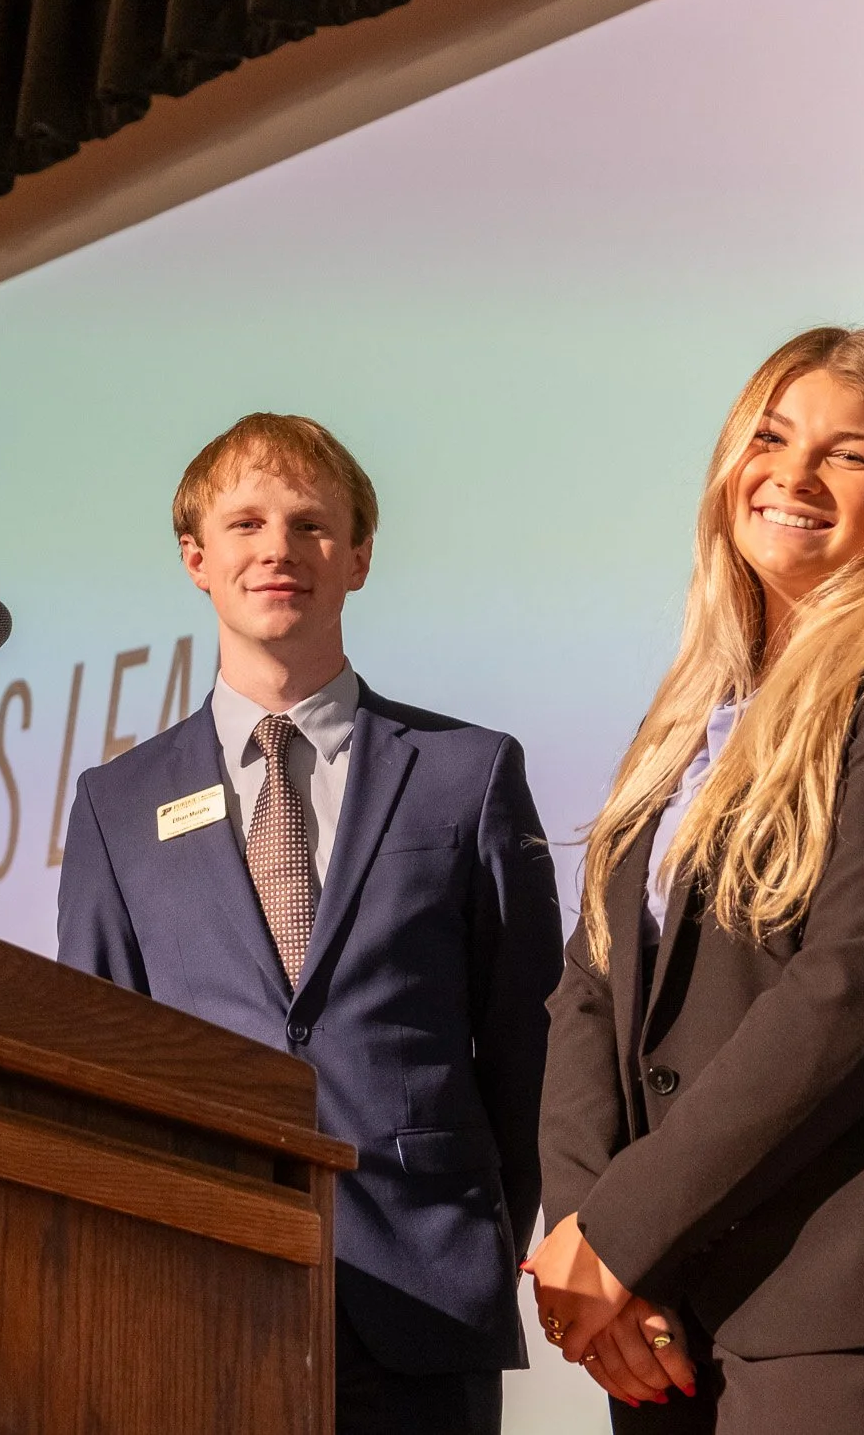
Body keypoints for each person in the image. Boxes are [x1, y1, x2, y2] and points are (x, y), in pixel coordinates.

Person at [526, 327, 864, 1433]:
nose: (793, 476)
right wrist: (590, 1235)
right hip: (662, 1312)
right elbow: (588, 989)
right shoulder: (677, 731)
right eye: (770, 437)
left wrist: (616, 1232)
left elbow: (862, 990)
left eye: (846, 455)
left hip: (845, 1299)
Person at [58, 413, 563, 1435]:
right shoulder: (117, 804)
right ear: (196, 560)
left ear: (360, 558)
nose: (277, 550)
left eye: (311, 525)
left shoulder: (467, 774)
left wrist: (485, 1231)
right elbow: (93, 1065)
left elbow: (529, 1046)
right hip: (193, 1293)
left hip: (421, 1300)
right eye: (244, 523)